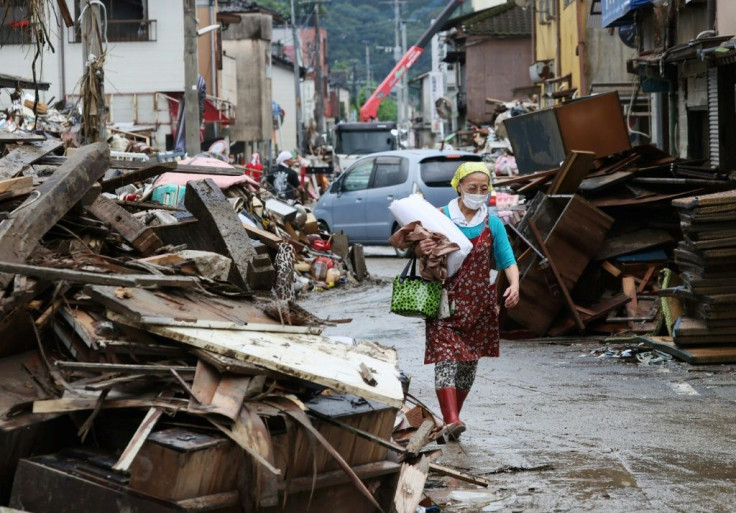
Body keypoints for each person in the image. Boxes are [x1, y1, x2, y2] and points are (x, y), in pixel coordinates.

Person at [412, 161, 520, 440]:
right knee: (446, 360)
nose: (478, 192)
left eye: (484, 188)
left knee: (468, 367)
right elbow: (416, 248)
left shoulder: (492, 223)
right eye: (472, 187)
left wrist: (515, 285)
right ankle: (452, 418)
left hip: (479, 307)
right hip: (444, 302)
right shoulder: (439, 217)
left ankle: (451, 422)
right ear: (459, 187)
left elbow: (507, 259)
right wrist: (420, 246)